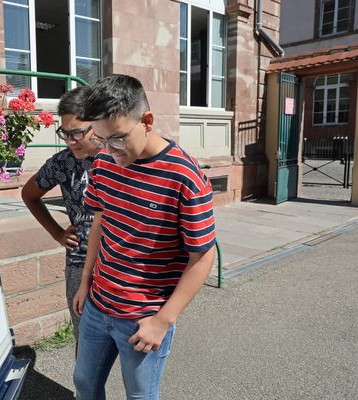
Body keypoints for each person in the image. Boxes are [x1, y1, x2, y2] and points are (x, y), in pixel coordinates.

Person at [72, 74, 217, 399]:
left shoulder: (185, 177)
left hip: (143, 318)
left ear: (147, 121)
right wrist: (85, 280)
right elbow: (100, 221)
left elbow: (203, 256)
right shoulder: (103, 164)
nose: (110, 149)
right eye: (101, 139)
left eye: (118, 138)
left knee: (139, 396)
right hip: (98, 305)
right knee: (84, 383)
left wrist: (163, 320)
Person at [21, 86, 100, 341]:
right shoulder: (62, 162)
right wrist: (57, 233)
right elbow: (29, 194)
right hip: (79, 261)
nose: (70, 141)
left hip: (118, 263)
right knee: (85, 337)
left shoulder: (121, 158)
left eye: (77, 133)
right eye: (65, 133)